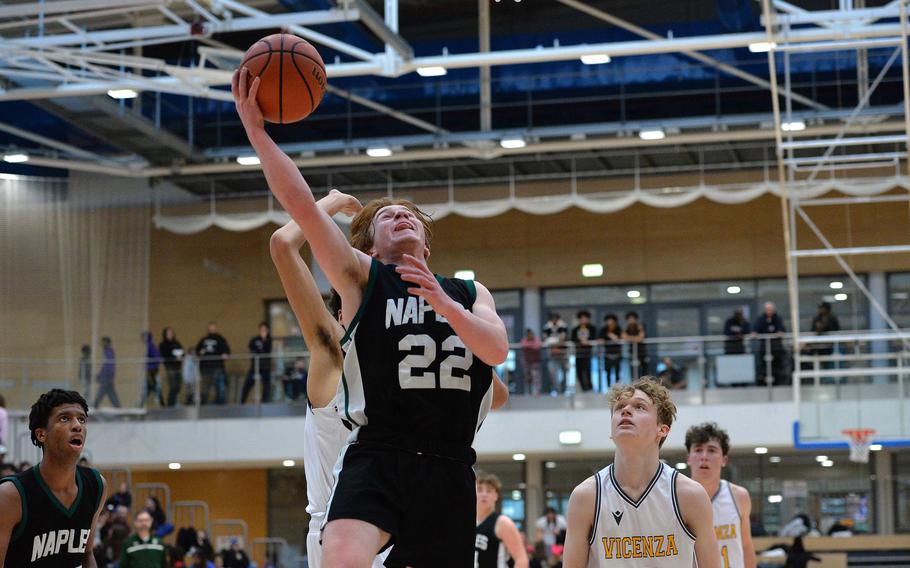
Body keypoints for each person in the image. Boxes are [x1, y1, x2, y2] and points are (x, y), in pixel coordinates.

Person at [235, 68, 509, 568]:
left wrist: (444, 306)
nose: (399, 216)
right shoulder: (364, 281)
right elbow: (299, 211)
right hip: (380, 450)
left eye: (409, 215)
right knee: (341, 554)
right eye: (386, 217)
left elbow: (495, 352)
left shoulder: (470, 292)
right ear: (369, 247)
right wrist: (257, 133)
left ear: (426, 243)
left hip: (449, 464)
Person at [267, 193, 511, 568]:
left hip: (414, 512)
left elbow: (496, 392)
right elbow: (284, 244)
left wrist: (450, 334)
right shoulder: (331, 353)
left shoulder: (407, 346)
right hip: (345, 523)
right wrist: (331, 201)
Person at [562, 378, 719, 568]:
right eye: (619, 407)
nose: (626, 411)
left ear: (662, 430)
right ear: (612, 431)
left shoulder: (689, 495)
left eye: (639, 407)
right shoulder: (586, 497)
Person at [0, 389, 107, 567]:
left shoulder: (96, 485)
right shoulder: (11, 495)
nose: (77, 425)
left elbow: (87, 554)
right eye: (64, 418)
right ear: (41, 434)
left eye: (81, 419)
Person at [685, 422, 756, 568]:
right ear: (689, 458)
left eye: (711, 450)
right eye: (698, 450)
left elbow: (746, 545)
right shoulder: (677, 498)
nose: (704, 456)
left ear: (724, 460)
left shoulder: (739, 496)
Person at [475, 472, 529, 568]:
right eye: (479, 490)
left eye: (489, 491)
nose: (484, 494)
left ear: (496, 495)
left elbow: (522, 559)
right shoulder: (466, 523)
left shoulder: (503, 522)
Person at [195, 323, 231, 405]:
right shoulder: (203, 340)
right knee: (205, 388)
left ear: (216, 329)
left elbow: (227, 351)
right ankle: (203, 406)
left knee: (220, 388)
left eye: (213, 328)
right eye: (210, 328)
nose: (212, 329)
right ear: (208, 329)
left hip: (218, 367)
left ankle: (220, 406)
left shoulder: (220, 339)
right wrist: (199, 352)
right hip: (206, 368)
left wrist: (225, 354)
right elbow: (197, 351)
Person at [752, 302, 786, 385]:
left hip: (776, 347)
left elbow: (781, 330)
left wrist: (779, 333)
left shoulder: (778, 318)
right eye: (767, 310)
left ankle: (778, 382)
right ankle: (764, 382)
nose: (769, 311)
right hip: (765, 347)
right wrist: (755, 333)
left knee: (777, 365)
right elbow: (755, 330)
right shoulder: (761, 318)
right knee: (763, 365)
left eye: (770, 309)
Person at [241, 322, 273, 404]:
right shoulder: (254, 339)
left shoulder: (269, 340)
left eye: (264, 330)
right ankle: (242, 402)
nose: (263, 331)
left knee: (266, 386)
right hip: (255, 366)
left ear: (267, 331)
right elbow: (250, 349)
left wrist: (264, 339)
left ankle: (264, 403)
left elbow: (268, 350)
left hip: (265, 367)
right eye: (261, 329)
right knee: (248, 383)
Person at [543, 313, 569, 394]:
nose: (554, 320)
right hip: (552, 355)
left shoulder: (563, 326)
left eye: (555, 318)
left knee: (565, 372)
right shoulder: (547, 327)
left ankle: (563, 389)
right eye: (552, 318)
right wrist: (555, 343)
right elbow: (546, 339)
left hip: (563, 354)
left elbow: (563, 338)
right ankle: (556, 389)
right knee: (553, 373)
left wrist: (554, 342)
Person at [159, 327, 184, 407]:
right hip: (170, 367)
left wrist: (181, 357)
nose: (170, 335)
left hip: (178, 367)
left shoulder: (177, 343)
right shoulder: (163, 344)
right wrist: (173, 357)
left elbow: (182, 352)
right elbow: (163, 355)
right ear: (165, 335)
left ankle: (173, 403)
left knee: (178, 386)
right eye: (168, 333)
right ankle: (170, 404)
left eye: (171, 333)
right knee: (173, 386)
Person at [571, 311, 596, 392]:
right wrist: (580, 341)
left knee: (588, 370)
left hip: (588, 352)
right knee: (579, 371)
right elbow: (572, 339)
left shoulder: (592, 328)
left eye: (585, 318)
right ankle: (583, 388)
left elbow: (594, 338)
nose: (584, 320)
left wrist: (587, 341)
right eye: (582, 318)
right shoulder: (575, 329)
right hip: (578, 353)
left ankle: (589, 387)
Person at [94, 336, 121, 408]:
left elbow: (110, 364)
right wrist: (100, 374)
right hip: (106, 375)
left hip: (107, 376)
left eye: (103, 341)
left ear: (106, 342)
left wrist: (111, 375)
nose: (101, 343)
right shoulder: (106, 351)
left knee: (102, 391)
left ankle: (95, 405)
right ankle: (118, 406)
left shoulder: (108, 351)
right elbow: (105, 365)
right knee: (111, 392)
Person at [599, 314, 622, 389]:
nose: (610, 322)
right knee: (607, 372)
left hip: (617, 354)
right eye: (608, 321)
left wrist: (612, 336)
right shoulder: (604, 329)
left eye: (611, 321)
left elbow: (620, 338)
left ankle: (617, 388)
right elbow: (600, 339)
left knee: (617, 371)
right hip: (607, 354)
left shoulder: (618, 329)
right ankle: (609, 387)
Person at [622, 311, 648, 378]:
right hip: (632, 352)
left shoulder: (640, 326)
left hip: (641, 351)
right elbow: (624, 338)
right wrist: (635, 338)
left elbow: (641, 338)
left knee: (644, 369)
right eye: (629, 319)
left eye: (633, 318)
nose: (631, 320)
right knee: (633, 370)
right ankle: (634, 384)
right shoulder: (626, 328)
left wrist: (631, 338)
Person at [142, 332, 163, 408]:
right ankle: (162, 404)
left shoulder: (150, 346)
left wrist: (150, 367)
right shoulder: (147, 346)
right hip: (150, 370)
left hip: (152, 371)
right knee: (151, 388)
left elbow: (157, 358)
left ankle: (162, 404)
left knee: (152, 387)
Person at [520, 329, 543, 395]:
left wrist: (530, 346)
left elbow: (538, 345)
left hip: (535, 362)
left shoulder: (537, 339)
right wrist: (531, 346)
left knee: (536, 377)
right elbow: (523, 345)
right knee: (528, 378)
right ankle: (529, 392)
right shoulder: (524, 340)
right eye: (528, 334)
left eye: (531, 334)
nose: (530, 336)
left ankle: (537, 391)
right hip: (527, 362)